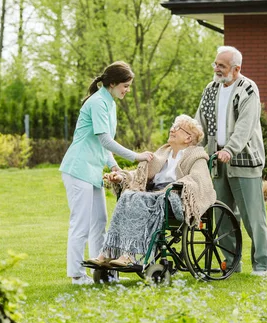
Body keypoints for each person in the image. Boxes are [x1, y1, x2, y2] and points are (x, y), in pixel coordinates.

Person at [60, 61, 154, 285]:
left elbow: (103, 144)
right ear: (112, 83)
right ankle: (76, 275)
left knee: (100, 221)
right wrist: (136, 156)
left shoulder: (110, 103)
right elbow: (105, 139)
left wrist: (113, 165)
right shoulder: (97, 102)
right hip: (78, 168)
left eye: (129, 86)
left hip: (92, 170)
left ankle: (102, 272)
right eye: (125, 85)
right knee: (81, 223)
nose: (127, 90)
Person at [86, 114, 216, 267]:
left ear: (188, 138)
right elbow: (141, 175)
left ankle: (129, 255)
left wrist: (178, 185)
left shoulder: (196, 157)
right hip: (153, 194)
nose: (172, 130)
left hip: (172, 197)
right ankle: (107, 252)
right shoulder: (162, 153)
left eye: (177, 128)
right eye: (173, 126)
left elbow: (199, 179)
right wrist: (121, 178)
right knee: (128, 196)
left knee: (137, 198)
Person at [194, 46, 267, 276]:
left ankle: (260, 264)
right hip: (217, 160)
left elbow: (245, 128)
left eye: (222, 66)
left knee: (252, 217)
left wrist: (230, 149)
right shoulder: (211, 89)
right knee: (222, 215)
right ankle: (230, 262)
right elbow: (200, 122)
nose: (217, 69)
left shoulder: (247, 89)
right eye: (215, 64)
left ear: (236, 69)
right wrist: (194, 146)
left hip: (243, 160)